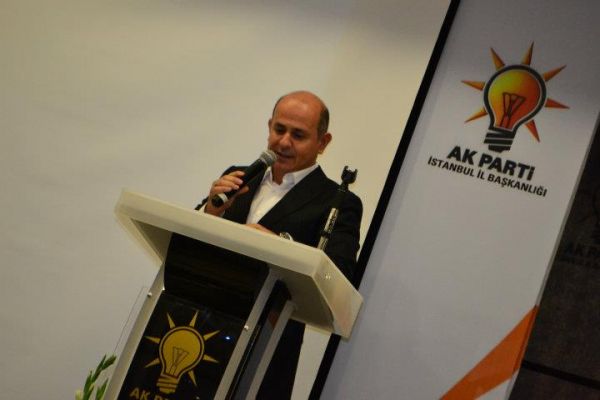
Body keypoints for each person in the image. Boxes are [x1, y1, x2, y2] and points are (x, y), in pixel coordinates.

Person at [200, 90, 362, 398]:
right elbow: (192, 240)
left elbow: (339, 276)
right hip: (204, 322)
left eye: (298, 135)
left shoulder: (337, 202)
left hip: (268, 344)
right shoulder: (237, 178)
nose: (284, 142)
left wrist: (278, 244)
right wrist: (211, 211)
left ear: (323, 142)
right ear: (269, 126)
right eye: (279, 129)